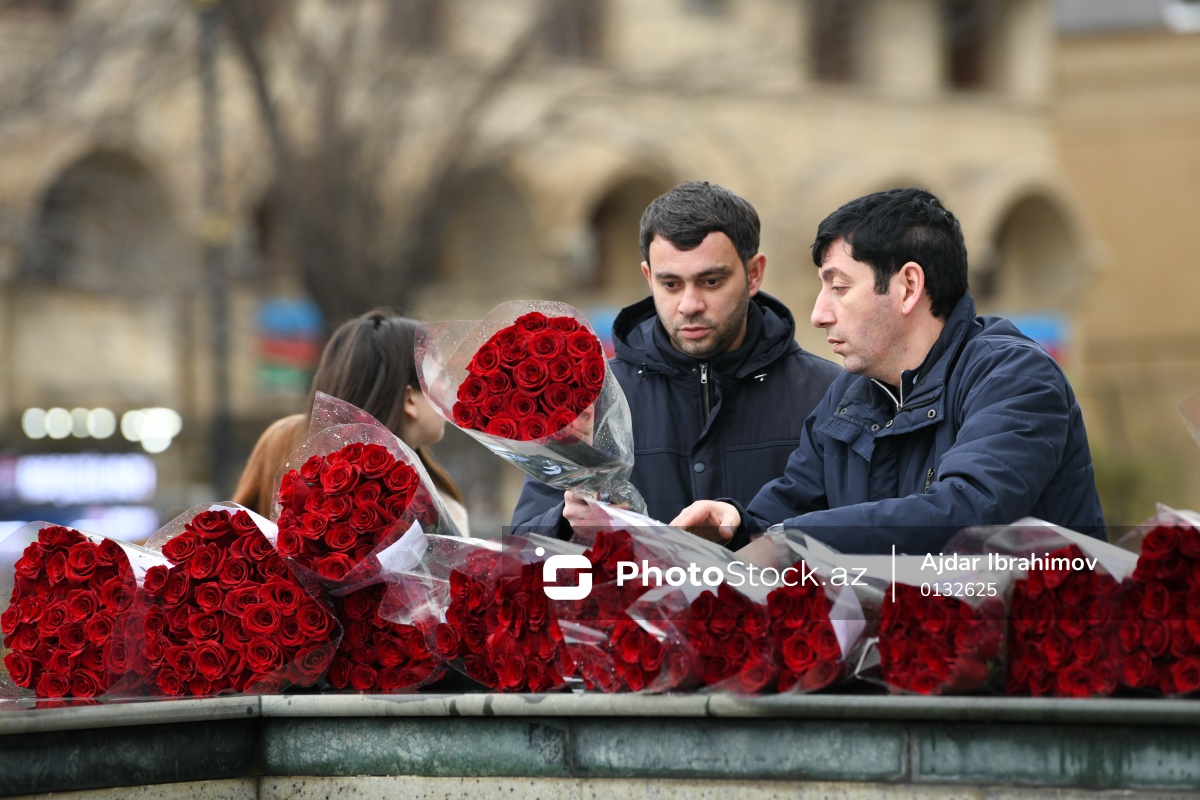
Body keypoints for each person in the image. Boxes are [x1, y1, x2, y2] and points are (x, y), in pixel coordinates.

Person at [671, 187, 1105, 553]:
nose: (819, 314)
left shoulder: (1014, 376)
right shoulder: (848, 395)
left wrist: (793, 543)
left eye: (839, 287)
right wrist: (735, 525)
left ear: (908, 287)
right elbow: (789, 508)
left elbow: (966, 513)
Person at [510, 181, 842, 539]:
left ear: (754, 274)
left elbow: (861, 539)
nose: (689, 305)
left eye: (711, 281)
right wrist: (566, 522)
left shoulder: (828, 393)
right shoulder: (590, 399)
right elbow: (521, 543)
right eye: (671, 284)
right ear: (648, 278)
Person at [233, 308, 469, 533]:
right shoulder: (435, 512)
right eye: (441, 375)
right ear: (409, 399)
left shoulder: (288, 447)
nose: (451, 390)